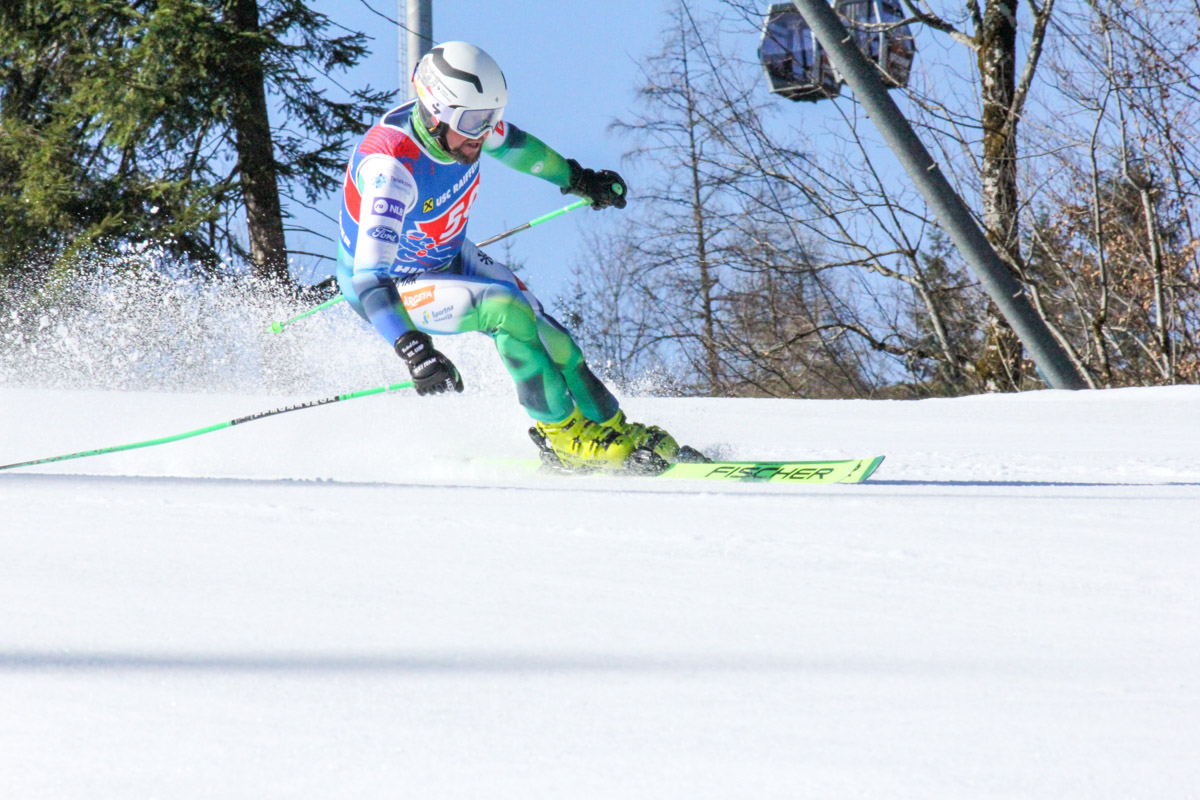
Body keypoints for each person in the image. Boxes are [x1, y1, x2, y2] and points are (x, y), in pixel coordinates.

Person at [336, 41, 695, 471]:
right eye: (474, 122)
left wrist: (578, 178)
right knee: (506, 311)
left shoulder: (464, 127)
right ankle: (564, 438)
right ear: (434, 111)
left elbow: (519, 149)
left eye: (492, 118)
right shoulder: (390, 169)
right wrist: (414, 349)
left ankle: (611, 427)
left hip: (447, 254)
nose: (483, 133)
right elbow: (368, 279)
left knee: (553, 338)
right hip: (395, 287)